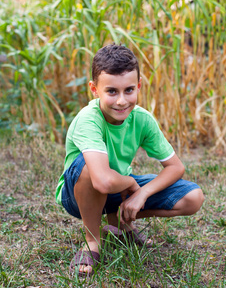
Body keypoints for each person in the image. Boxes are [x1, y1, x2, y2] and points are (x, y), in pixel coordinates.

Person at [55, 44, 204, 276]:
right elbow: (102, 181)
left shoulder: (142, 119)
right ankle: (92, 241)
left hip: (119, 188)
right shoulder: (89, 120)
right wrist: (129, 184)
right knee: (88, 169)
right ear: (94, 89)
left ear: (139, 86)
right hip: (78, 193)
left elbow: (176, 167)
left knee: (193, 197)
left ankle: (118, 225)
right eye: (112, 91)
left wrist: (141, 193)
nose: (122, 101)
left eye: (129, 90)